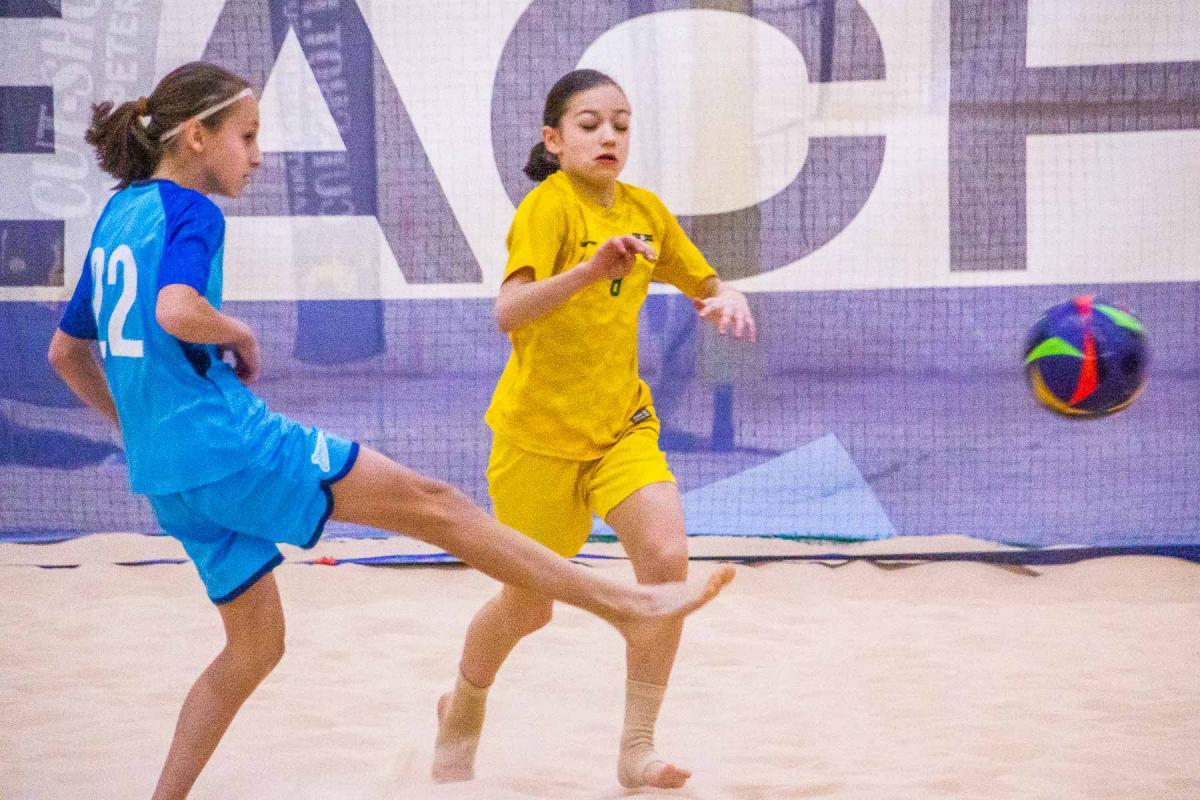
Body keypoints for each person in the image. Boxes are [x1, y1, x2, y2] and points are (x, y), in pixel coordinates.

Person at [47, 61, 734, 800]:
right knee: (438, 505)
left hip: (168, 478)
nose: (258, 155)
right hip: (234, 445)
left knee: (254, 648)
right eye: (247, 137)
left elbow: (66, 354)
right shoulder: (193, 211)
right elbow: (176, 310)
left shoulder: (117, 215)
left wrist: (139, 432)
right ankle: (626, 606)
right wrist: (238, 332)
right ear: (195, 137)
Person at [433, 69, 756, 790]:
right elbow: (508, 312)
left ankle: (637, 748)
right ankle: (462, 705)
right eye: (589, 124)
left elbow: (704, 281)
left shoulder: (645, 211)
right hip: (537, 440)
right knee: (528, 608)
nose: (608, 135)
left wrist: (726, 295)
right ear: (553, 140)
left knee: (666, 559)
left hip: (621, 428)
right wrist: (587, 270)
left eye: (621, 123)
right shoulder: (548, 207)